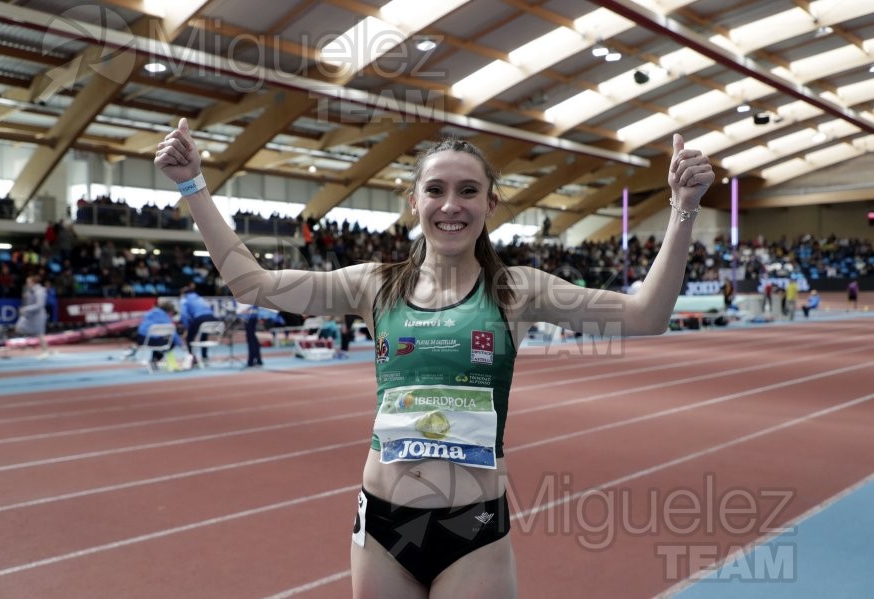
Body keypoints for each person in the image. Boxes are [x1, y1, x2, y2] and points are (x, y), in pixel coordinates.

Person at [155, 119, 713, 598]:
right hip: (383, 526)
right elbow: (254, 286)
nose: (451, 205)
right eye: (437, 190)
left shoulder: (518, 290)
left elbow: (647, 315)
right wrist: (193, 185)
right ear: (414, 200)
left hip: (472, 529)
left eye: (468, 191)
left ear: (491, 203)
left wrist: (682, 210)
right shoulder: (372, 285)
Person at [179, 283, 216, 364]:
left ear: (184, 294)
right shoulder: (200, 298)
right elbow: (210, 309)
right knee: (204, 336)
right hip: (211, 317)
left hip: (200, 318)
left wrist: (187, 327)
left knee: (189, 338)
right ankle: (204, 357)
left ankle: (192, 358)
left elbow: (183, 314)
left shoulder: (184, 299)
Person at [15, 274, 49, 358]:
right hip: (30, 315)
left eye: (29, 282)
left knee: (40, 334)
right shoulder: (30, 290)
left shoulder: (40, 291)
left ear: (33, 282)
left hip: (38, 316)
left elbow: (39, 305)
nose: (27, 284)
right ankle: (28, 343)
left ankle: (45, 352)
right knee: (20, 327)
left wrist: (25, 309)